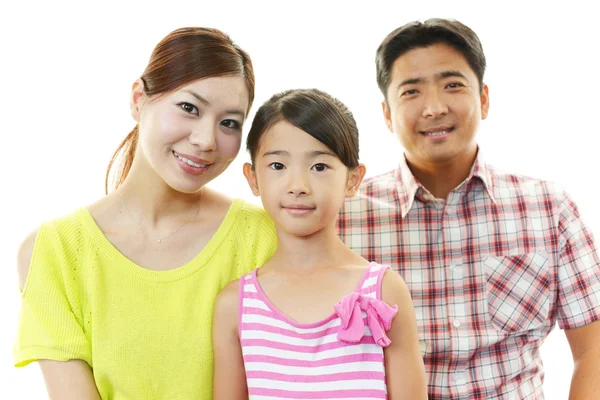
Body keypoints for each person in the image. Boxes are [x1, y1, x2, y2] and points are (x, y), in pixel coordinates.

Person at [337, 18, 600, 399]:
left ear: (484, 99)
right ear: (387, 114)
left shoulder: (548, 208)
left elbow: (592, 349)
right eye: (411, 92)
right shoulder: (346, 218)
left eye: (452, 85)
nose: (434, 107)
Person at [14, 27, 277, 400]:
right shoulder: (53, 252)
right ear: (139, 99)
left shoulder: (263, 238)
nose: (206, 140)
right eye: (189, 108)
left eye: (229, 123)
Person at [212, 88, 428, 399]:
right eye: (277, 166)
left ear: (352, 180)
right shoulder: (235, 306)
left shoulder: (384, 290)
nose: (298, 186)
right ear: (253, 178)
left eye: (319, 167)